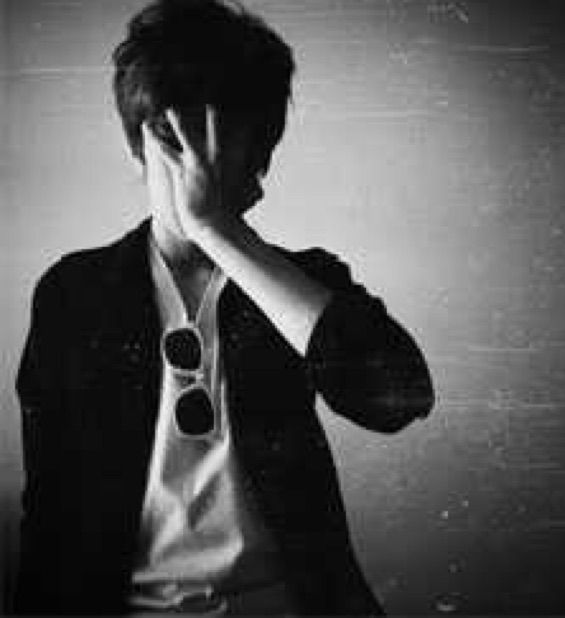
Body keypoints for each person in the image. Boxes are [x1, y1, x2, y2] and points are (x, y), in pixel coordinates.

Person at [14, 0, 434, 615]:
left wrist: (217, 231)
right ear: (137, 150)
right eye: (173, 141)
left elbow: (399, 400)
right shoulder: (73, 292)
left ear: (258, 161)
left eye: (216, 145)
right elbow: (49, 510)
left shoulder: (306, 281)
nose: (195, 172)